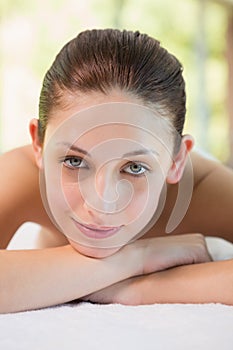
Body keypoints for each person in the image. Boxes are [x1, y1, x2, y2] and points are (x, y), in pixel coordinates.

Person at [0, 29, 233, 314]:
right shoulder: (19, 176)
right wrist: (135, 260)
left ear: (176, 161)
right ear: (38, 143)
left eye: (134, 168)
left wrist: (139, 288)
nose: (102, 201)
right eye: (74, 161)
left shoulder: (203, 191)